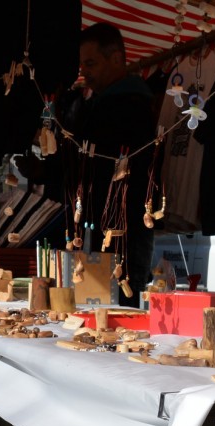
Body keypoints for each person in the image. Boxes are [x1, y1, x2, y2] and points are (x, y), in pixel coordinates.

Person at [70, 23, 156, 298]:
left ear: (117, 59)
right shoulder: (97, 104)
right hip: (95, 229)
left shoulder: (132, 105)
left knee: (118, 315)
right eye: (82, 67)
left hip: (123, 233)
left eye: (91, 64)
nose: (86, 74)